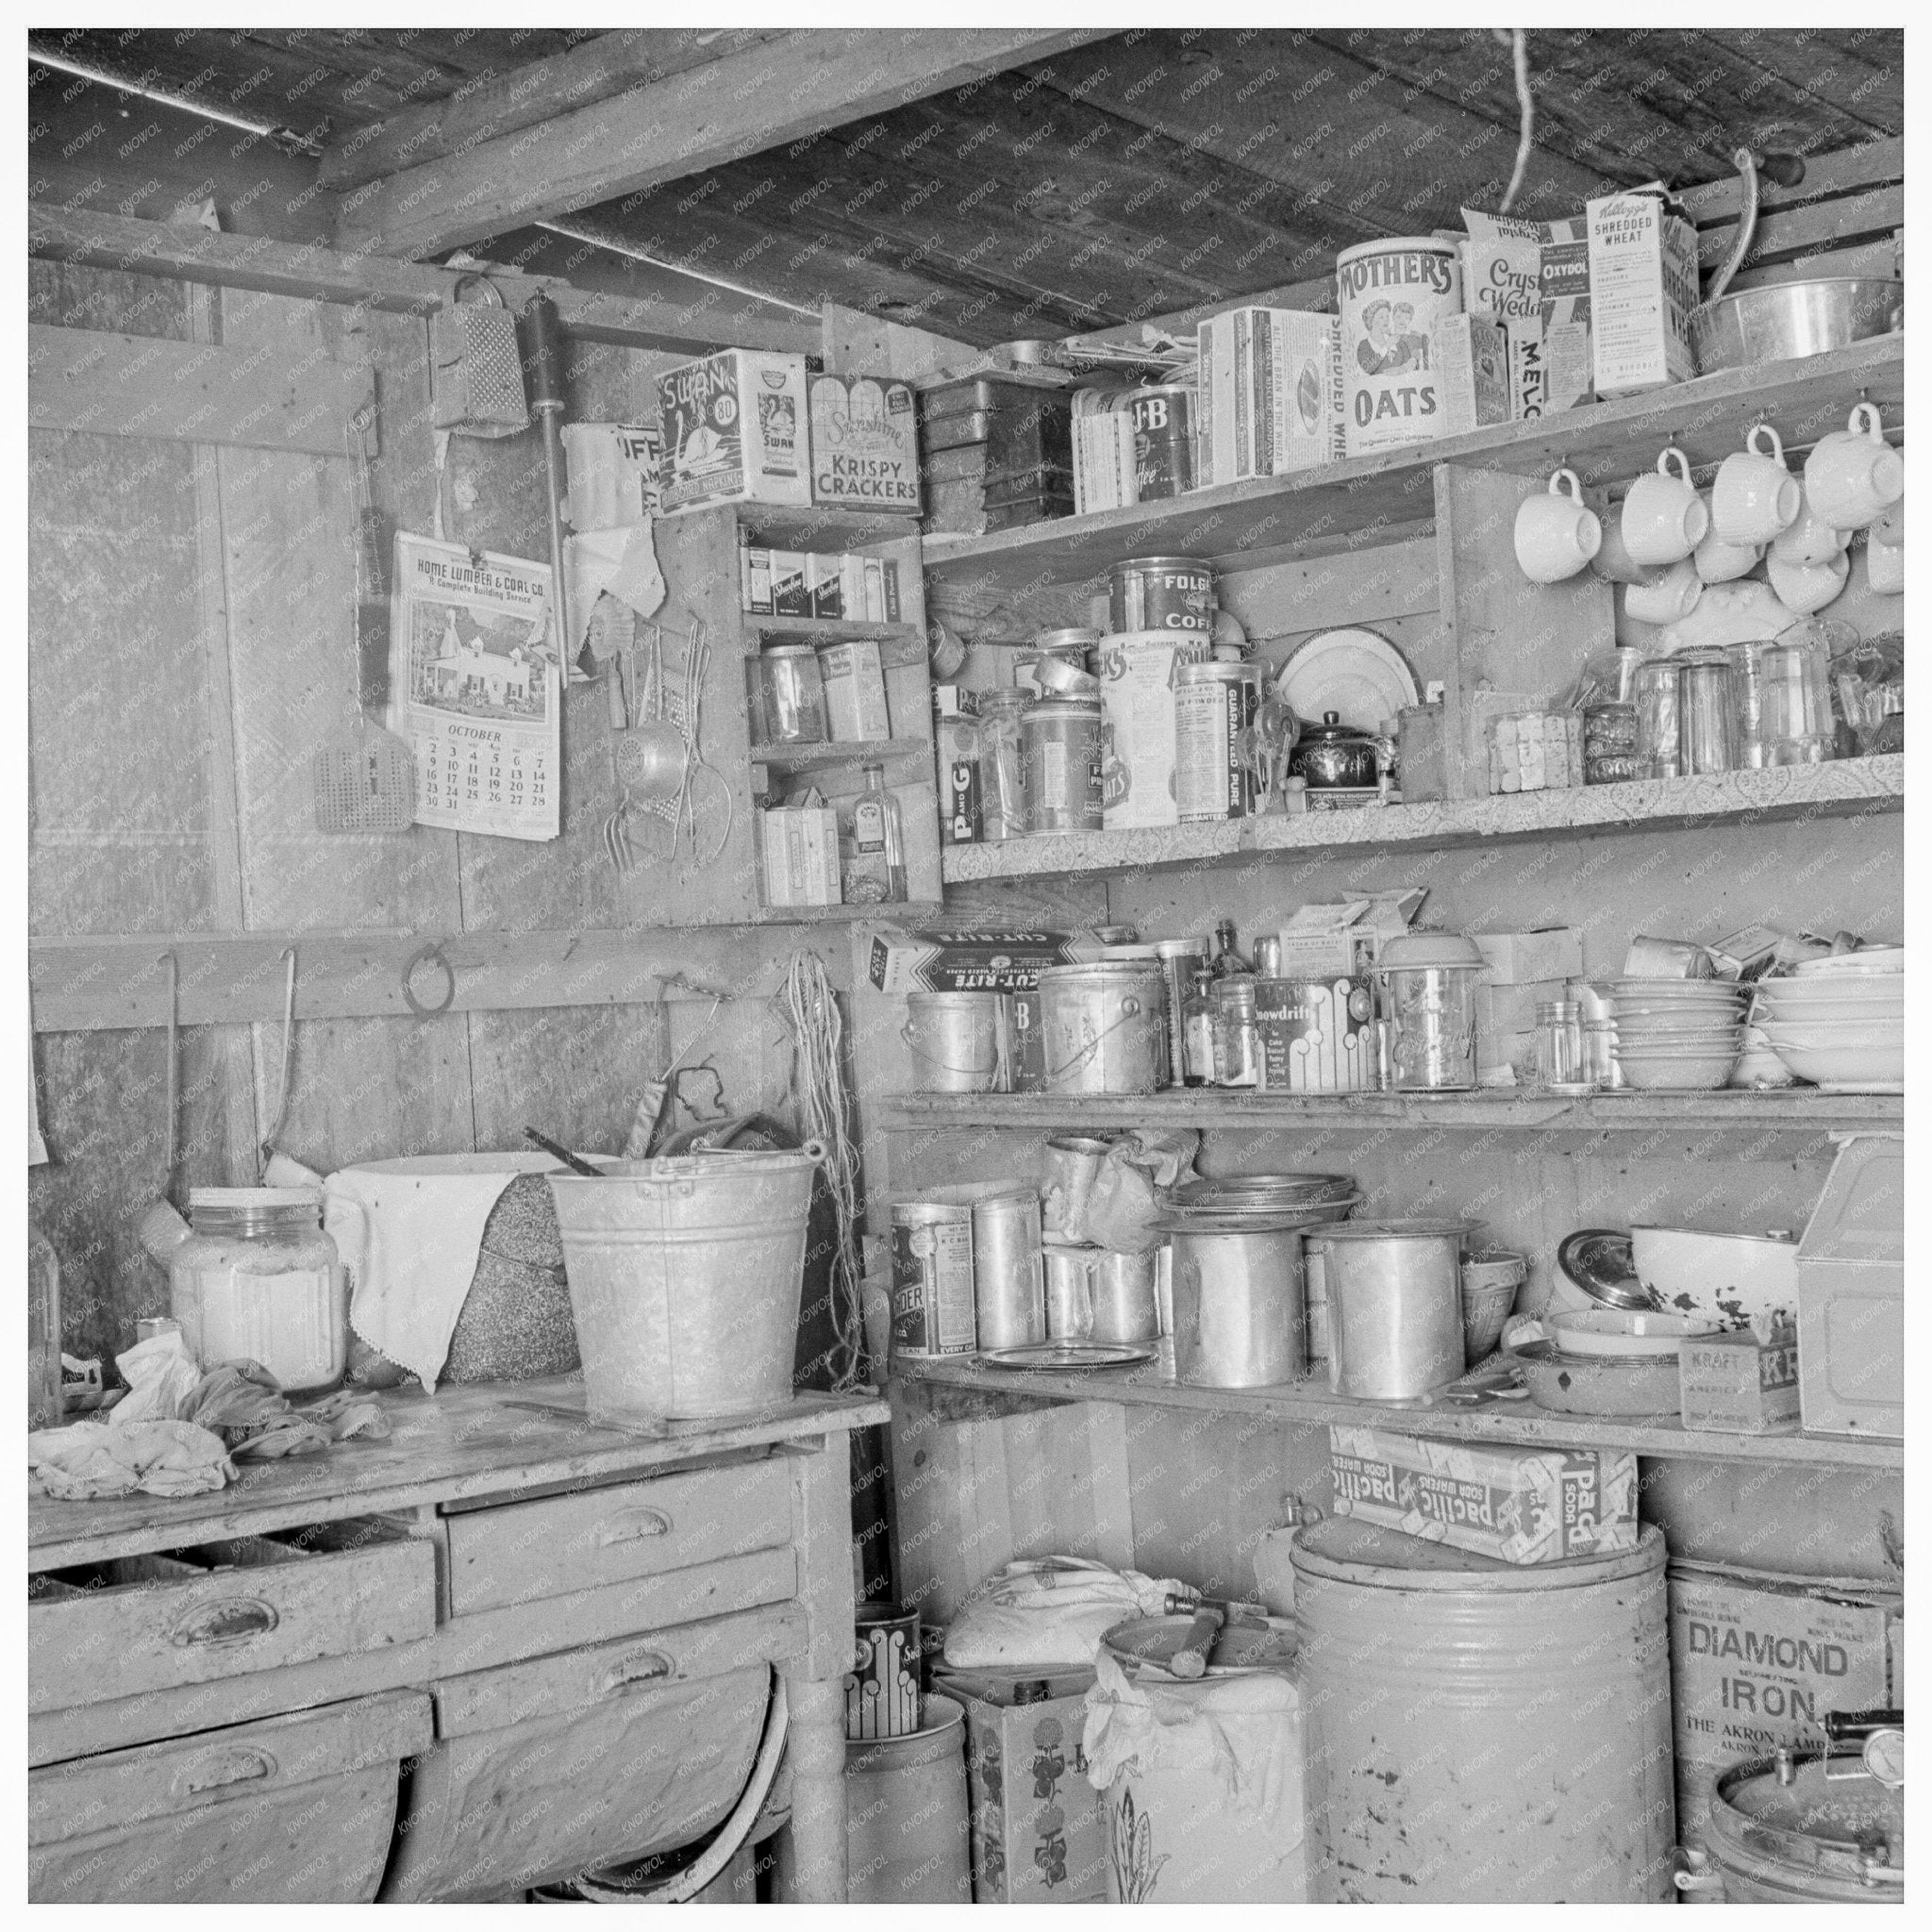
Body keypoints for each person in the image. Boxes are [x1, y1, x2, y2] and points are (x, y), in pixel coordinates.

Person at [1356, 300, 1395, 375]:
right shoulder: (1363, 346)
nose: (1386, 320)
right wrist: (1386, 347)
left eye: (1387, 316)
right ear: (1371, 321)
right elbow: (1367, 367)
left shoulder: (1395, 340)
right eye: (1381, 317)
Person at [1391, 301, 1431, 373]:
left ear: (1410, 320)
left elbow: (1424, 346)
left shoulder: (1414, 335)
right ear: (1393, 317)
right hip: (1392, 368)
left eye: (1406, 318)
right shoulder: (1387, 334)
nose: (1402, 320)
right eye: (1399, 316)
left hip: (1411, 371)